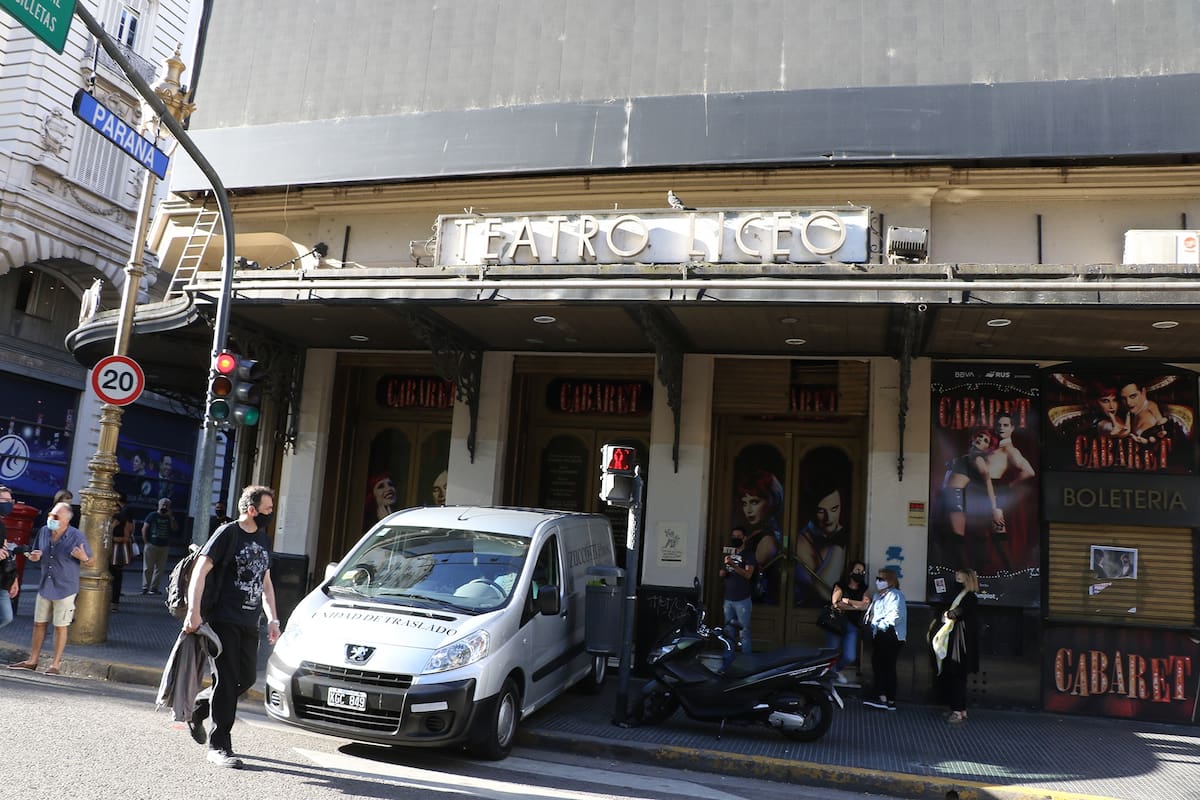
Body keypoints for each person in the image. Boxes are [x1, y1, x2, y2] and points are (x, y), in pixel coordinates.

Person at [184, 485, 282, 768]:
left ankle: (199, 708)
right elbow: (200, 572)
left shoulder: (263, 538)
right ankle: (219, 746)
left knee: (247, 679)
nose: (269, 514)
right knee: (227, 680)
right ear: (251, 510)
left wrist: (273, 618)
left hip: (250, 622)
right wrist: (193, 612)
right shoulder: (227, 534)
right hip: (223, 620)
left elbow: (266, 581)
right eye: (267, 510)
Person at [7, 501, 94, 675]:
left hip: (65, 588)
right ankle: (33, 660)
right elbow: (35, 553)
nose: (51, 519)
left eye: (55, 516)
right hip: (45, 585)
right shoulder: (44, 532)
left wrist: (84, 558)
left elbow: (91, 561)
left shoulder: (76, 536)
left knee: (60, 626)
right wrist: (32, 556)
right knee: (39, 623)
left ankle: (55, 664)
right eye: (50, 515)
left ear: (66, 521)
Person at [940, 428, 1002, 570]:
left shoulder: (978, 458)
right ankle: (961, 571)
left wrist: (994, 508)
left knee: (957, 538)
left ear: (987, 447)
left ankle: (964, 573)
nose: (981, 440)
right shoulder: (966, 456)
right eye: (980, 436)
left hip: (956, 496)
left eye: (986, 440)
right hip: (949, 496)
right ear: (974, 437)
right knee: (951, 537)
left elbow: (988, 482)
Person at [984, 414, 1035, 571]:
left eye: (1005, 425)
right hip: (982, 490)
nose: (1001, 428)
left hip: (994, 489)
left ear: (1012, 428)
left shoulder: (1010, 450)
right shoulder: (994, 446)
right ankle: (1007, 568)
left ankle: (1010, 568)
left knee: (998, 530)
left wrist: (1010, 485)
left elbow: (1029, 471)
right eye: (999, 424)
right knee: (991, 532)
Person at [936, 568, 980, 724]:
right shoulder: (967, 597)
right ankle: (960, 709)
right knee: (958, 676)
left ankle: (957, 710)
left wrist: (948, 615)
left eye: (959, 578)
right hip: (960, 640)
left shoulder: (968, 598)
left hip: (960, 642)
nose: (956, 580)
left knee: (957, 675)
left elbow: (958, 612)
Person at [794, 485, 848, 607]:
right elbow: (824, 590)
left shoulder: (842, 532)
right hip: (804, 610)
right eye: (821, 511)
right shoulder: (802, 541)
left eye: (834, 509)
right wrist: (839, 545)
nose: (828, 519)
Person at [736, 469, 784, 603]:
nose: (749, 510)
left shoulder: (767, 540)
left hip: (759, 602)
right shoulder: (757, 533)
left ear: (770, 501)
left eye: (755, 502)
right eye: (745, 503)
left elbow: (750, 575)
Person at [863, 566, 907, 711]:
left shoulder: (895, 595)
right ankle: (883, 697)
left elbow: (895, 616)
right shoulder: (878, 596)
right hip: (879, 634)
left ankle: (887, 698)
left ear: (890, 581)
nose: (878, 581)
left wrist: (879, 625)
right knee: (879, 665)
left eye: (881, 579)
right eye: (877, 579)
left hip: (890, 634)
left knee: (886, 666)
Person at [825, 560, 870, 685]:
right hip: (836, 623)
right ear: (850, 571)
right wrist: (857, 605)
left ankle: (837, 670)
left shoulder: (864, 588)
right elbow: (836, 604)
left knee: (850, 655)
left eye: (862, 571)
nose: (860, 573)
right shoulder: (840, 585)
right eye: (857, 570)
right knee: (831, 652)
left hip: (852, 626)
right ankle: (830, 676)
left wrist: (848, 602)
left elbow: (866, 605)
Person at [718, 526, 756, 654]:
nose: (735, 539)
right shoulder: (729, 553)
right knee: (728, 632)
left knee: (744, 631)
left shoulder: (749, 554)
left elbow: (748, 574)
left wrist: (733, 565)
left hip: (742, 599)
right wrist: (723, 572)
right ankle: (728, 658)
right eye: (733, 537)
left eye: (738, 537)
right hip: (728, 598)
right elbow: (723, 572)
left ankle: (746, 660)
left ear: (744, 538)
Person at [141, 497, 177, 594]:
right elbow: (145, 528)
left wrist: (171, 517)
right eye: (163, 505)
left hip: (164, 545)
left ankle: (154, 588)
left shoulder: (169, 517)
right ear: (159, 505)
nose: (164, 507)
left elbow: (174, 528)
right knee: (148, 567)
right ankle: (145, 587)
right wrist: (146, 542)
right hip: (152, 544)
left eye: (166, 505)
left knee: (160, 569)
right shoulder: (152, 515)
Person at [1119, 380, 1168, 444]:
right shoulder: (1128, 414)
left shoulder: (1152, 407)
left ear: (1143, 392)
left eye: (1133, 396)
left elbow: (1161, 425)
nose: (1128, 403)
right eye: (1124, 398)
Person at [109, 491, 134, 612]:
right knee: (115, 576)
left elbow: (126, 536)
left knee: (116, 576)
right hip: (112, 550)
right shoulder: (112, 518)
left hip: (117, 551)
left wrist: (112, 535)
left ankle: (114, 602)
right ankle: (112, 601)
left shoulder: (121, 518)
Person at [0, 485, 19, 630]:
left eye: (10, 500)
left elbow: (7, 555)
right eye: (4, 500)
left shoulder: (2, 525)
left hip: (2, 580)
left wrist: (14, 580)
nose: (8, 503)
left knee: (7, 616)